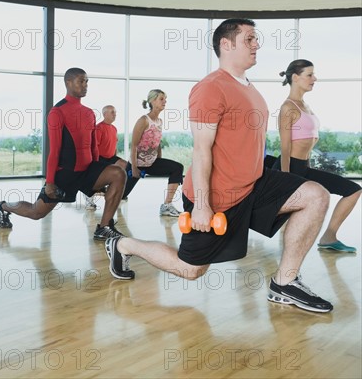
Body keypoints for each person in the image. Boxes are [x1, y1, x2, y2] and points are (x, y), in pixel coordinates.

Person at [105, 18, 334, 313]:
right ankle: (124, 246)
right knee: (191, 269)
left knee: (315, 195)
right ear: (226, 45)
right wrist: (201, 205)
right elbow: (201, 151)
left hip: (254, 183)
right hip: (217, 195)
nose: (256, 45)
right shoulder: (211, 88)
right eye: (249, 39)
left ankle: (285, 283)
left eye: (256, 39)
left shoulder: (250, 88)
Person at [0, 68, 128, 241]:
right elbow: (54, 150)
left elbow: (93, 146)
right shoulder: (57, 112)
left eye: (87, 81)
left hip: (87, 170)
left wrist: (98, 172)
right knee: (36, 212)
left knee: (119, 173)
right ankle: (3, 206)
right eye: (81, 81)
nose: (85, 85)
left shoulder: (89, 113)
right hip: (64, 174)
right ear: (68, 83)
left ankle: (104, 227)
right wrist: (50, 182)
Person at [273, 59, 361, 253]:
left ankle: (329, 236)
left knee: (353, 190)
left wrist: (308, 167)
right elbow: (285, 147)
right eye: (309, 75)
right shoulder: (288, 108)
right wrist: (286, 179)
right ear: (295, 78)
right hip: (290, 168)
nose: (315, 78)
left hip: (304, 167)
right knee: (273, 211)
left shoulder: (304, 105)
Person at [121, 89, 184, 217]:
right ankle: (95, 192)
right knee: (121, 195)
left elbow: (157, 142)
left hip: (152, 162)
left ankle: (167, 205)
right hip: (137, 164)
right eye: (161, 99)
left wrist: (159, 159)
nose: (165, 101)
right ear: (152, 101)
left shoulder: (159, 121)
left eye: (165, 99)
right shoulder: (144, 120)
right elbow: (133, 145)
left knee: (178, 168)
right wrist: (133, 168)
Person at [85, 104, 131, 210]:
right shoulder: (99, 128)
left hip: (111, 157)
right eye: (112, 112)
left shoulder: (114, 129)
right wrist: (94, 162)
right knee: (96, 179)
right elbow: (94, 146)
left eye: (115, 112)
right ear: (105, 114)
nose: (115, 114)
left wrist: (115, 156)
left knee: (127, 167)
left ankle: (120, 194)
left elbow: (114, 145)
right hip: (99, 158)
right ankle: (89, 198)